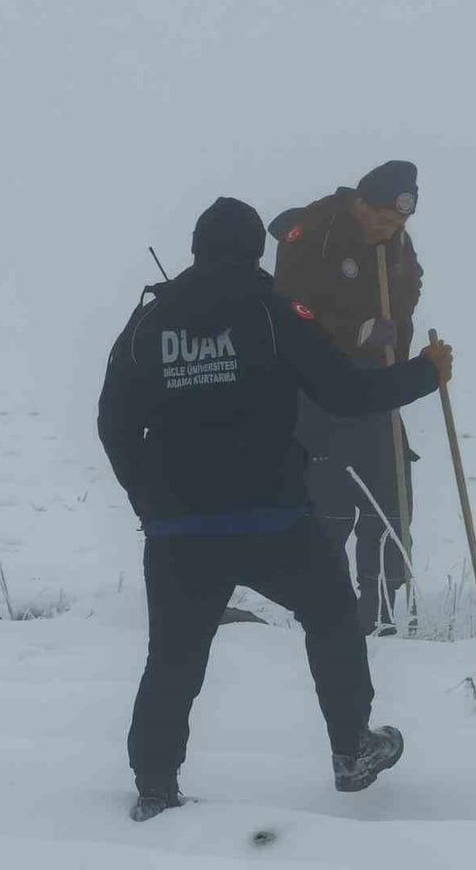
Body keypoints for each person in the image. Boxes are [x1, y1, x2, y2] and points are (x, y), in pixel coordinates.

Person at [97, 197, 453, 822]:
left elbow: (112, 424)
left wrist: (149, 500)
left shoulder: (148, 324)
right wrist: (425, 373)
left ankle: (155, 786)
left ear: (197, 248)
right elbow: (344, 392)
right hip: (274, 520)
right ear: (254, 252)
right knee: (335, 620)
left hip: (180, 529)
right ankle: (352, 750)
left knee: (173, 658)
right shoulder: (273, 312)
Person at [268, 161, 423, 634]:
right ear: (362, 202)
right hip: (322, 391)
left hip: (377, 385)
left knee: (391, 495)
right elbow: (288, 307)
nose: (391, 228)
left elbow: (410, 284)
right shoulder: (314, 229)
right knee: (330, 505)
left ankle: (383, 607)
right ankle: (327, 610)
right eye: (384, 218)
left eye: (399, 222)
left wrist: (400, 340)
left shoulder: (396, 239)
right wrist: (354, 332)